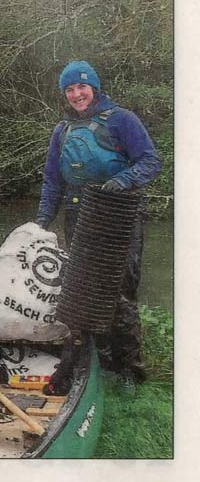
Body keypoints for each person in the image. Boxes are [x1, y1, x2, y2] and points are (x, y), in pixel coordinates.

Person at [37, 61, 161, 385]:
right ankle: (100, 369)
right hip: (79, 213)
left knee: (120, 295)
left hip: (120, 214)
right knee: (84, 293)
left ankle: (131, 372)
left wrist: (124, 179)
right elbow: (52, 181)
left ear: (94, 87)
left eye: (82, 87)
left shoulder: (121, 119)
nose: (77, 94)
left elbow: (150, 160)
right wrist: (42, 221)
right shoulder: (62, 130)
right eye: (70, 90)